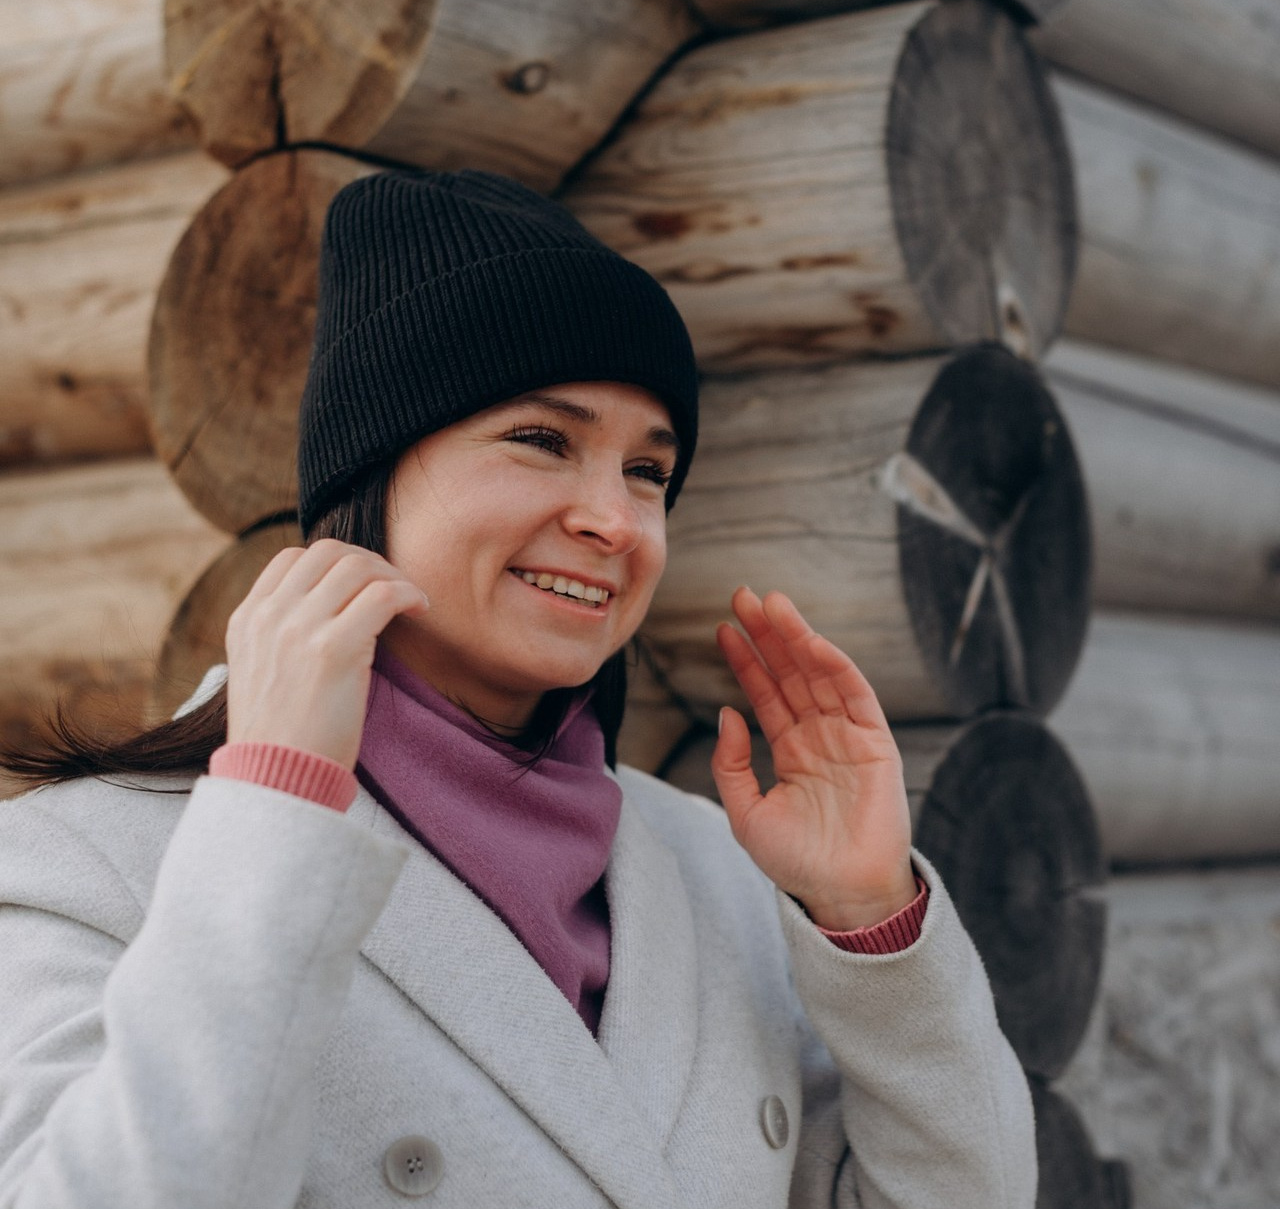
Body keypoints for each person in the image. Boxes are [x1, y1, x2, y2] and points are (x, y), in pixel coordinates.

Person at [0, 169, 1035, 1208]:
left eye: (646, 469)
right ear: (372, 473)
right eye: (541, 440)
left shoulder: (716, 871)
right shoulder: (91, 863)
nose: (616, 520)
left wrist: (870, 917)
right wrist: (277, 806)